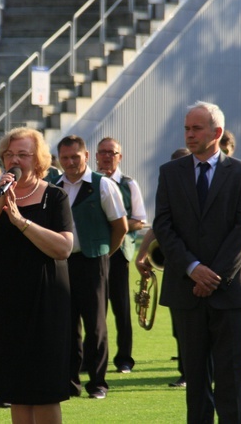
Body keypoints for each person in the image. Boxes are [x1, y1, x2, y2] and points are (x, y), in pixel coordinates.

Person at [153, 101, 241, 423]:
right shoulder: (169, 173)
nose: (189, 134)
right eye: (187, 128)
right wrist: (193, 269)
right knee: (195, 380)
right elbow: (164, 226)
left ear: (217, 132)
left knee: (231, 379)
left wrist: (213, 277)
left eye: (197, 128)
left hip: (230, 294)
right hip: (186, 291)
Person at [0, 127, 74, 423]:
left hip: (45, 303)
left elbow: (63, 247)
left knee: (43, 390)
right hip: (5, 302)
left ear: (38, 160)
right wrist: (0, 204)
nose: (15, 159)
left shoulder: (55, 196)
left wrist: (20, 221)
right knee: (16, 389)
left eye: (23, 154)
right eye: (10, 154)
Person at [56, 135, 127, 400]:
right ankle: (69, 382)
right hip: (62, 263)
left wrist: (105, 253)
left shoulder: (103, 185)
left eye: (75, 156)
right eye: (65, 158)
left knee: (95, 324)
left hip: (93, 261)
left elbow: (120, 226)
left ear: (86, 156)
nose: (70, 162)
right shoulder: (54, 185)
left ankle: (98, 383)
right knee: (67, 325)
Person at [135, 147, 191, 388]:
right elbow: (157, 225)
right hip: (175, 267)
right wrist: (141, 255)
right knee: (179, 326)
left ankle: (196, 372)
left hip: (199, 267)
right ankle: (185, 371)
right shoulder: (169, 193)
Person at [94, 137, 146, 374]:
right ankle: (90, 358)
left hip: (119, 253)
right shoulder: (90, 182)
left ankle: (124, 358)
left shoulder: (128, 184)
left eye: (112, 152)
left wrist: (116, 225)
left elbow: (139, 220)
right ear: (95, 156)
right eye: (103, 152)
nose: (107, 156)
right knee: (93, 308)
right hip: (93, 253)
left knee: (121, 308)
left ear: (120, 157)